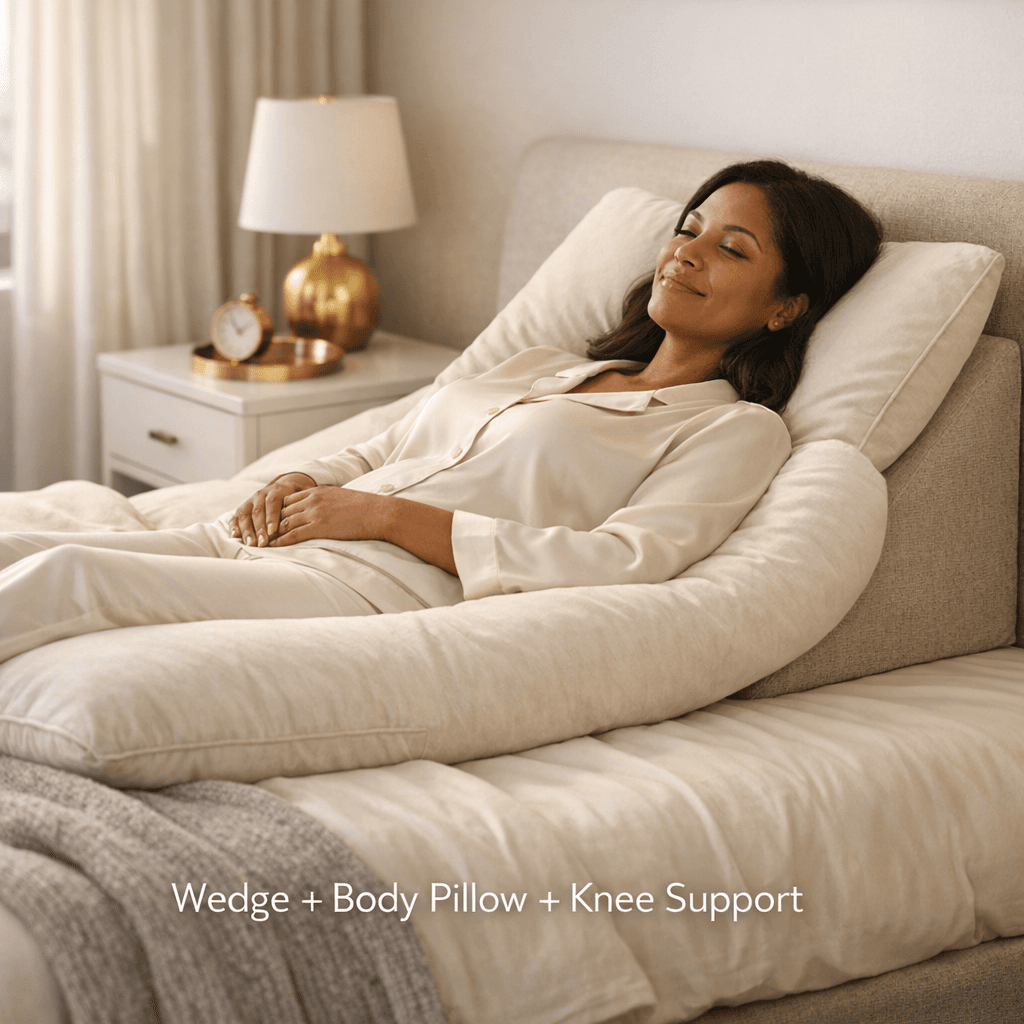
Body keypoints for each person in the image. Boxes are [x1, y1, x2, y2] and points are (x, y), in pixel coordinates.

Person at [0, 161, 882, 663]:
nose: (686, 252)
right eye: (687, 228)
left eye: (731, 248)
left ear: (786, 307)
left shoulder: (732, 429)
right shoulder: (550, 367)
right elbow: (382, 446)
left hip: (364, 585)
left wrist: (383, 516)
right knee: (23, 548)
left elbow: (622, 562)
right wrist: (301, 480)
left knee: (72, 577)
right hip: (281, 537)